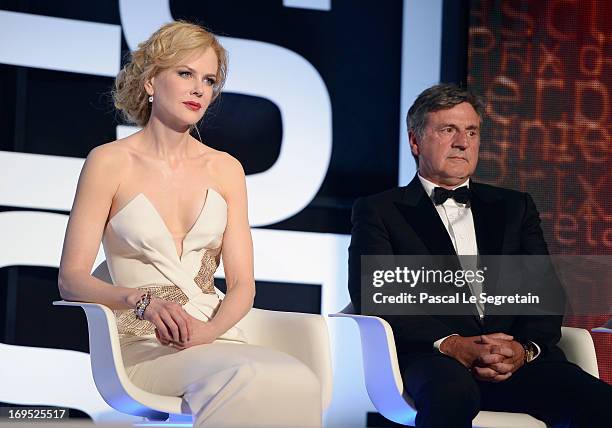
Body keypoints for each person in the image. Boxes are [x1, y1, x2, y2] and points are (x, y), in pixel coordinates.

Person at [58, 21, 321, 428]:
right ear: (150, 81)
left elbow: (242, 285)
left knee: (299, 377)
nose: (199, 89)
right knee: (246, 376)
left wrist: (209, 330)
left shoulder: (225, 168)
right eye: (185, 73)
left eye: (210, 80)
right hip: (143, 343)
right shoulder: (108, 162)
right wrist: (140, 301)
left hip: (213, 335)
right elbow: (71, 280)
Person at [348, 83, 612, 427]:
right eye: (448, 130)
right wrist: (455, 345)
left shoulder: (515, 207)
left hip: (516, 362)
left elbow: (546, 293)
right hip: (435, 357)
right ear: (415, 141)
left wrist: (522, 350)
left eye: (471, 132)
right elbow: (375, 294)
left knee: (599, 402)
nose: (463, 142)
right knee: (450, 396)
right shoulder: (380, 210)